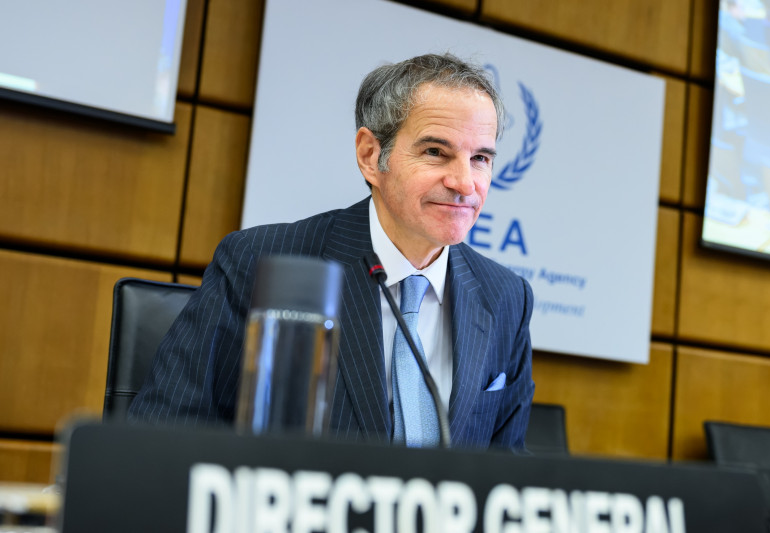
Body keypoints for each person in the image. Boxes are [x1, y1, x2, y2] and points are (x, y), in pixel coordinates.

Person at [127, 53, 535, 450]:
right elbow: (164, 437)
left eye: (480, 158)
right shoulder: (260, 263)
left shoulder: (505, 297)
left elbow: (508, 468)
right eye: (435, 152)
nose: (465, 183)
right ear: (370, 156)